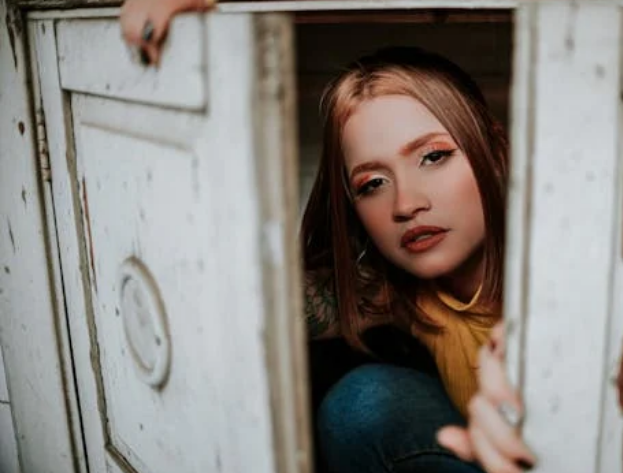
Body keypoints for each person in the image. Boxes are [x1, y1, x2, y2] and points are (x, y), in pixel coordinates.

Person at [121, 5, 536, 473]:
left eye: (433, 156)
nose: (405, 203)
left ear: (497, 152)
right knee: (361, 403)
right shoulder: (400, 295)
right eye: (372, 183)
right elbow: (240, 303)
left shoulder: (560, 278)